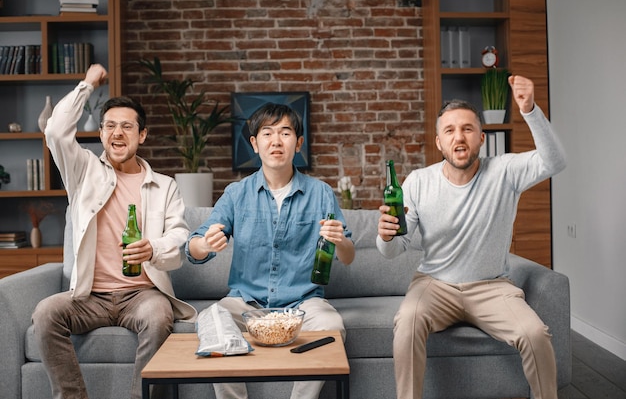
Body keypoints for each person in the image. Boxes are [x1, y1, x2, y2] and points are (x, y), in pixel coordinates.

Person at [377, 75, 567, 399]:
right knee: (406, 322)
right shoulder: (418, 182)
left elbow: (555, 161)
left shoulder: (505, 171)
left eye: (467, 129)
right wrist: (385, 236)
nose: (458, 137)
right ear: (439, 143)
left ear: (481, 138)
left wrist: (531, 110)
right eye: (449, 130)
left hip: (492, 286)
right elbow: (393, 251)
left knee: (535, 333)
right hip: (433, 285)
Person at [32, 64, 197, 399]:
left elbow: (179, 237)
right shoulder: (83, 171)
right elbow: (55, 131)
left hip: (141, 294)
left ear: (142, 134)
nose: (117, 133)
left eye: (126, 126)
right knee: (46, 311)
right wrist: (88, 84)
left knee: (158, 315)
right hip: (90, 296)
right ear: (102, 133)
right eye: (109, 126)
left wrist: (153, 249)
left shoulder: (164, 186)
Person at [186, 102, 355, 399]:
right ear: (254, 143)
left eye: (285, 133)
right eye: (267, 133)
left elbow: (349, 255)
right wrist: (204, 243)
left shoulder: (321, 193)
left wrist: (340, 240)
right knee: (210, 318)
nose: (276, 141)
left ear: (298, 143)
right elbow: (194, 247)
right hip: (246, 304)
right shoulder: (236, 193)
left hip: (304, 304)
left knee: (332, 326)